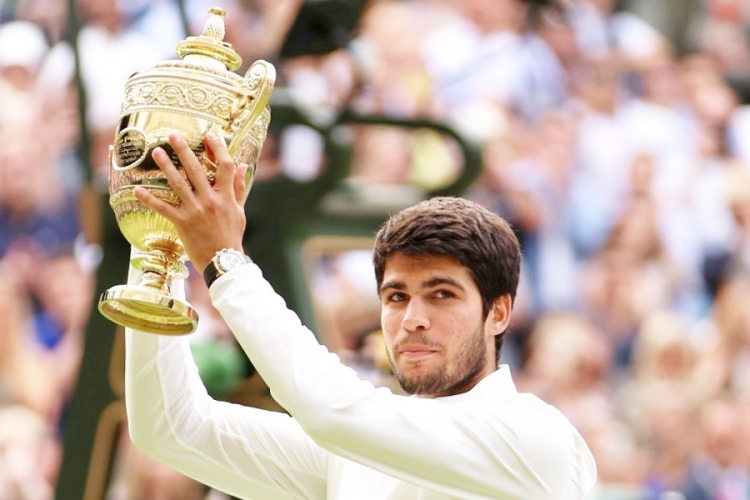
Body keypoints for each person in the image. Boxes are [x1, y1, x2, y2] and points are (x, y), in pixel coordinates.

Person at [124, 131, 597, 499]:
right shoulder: (360, 450)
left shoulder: (535, 437)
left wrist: (225, 261)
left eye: (442, 295)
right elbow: (172, 428)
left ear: (498, 313)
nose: (412, 318)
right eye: (396, 297)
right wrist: (155, 243)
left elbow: (333, 413)